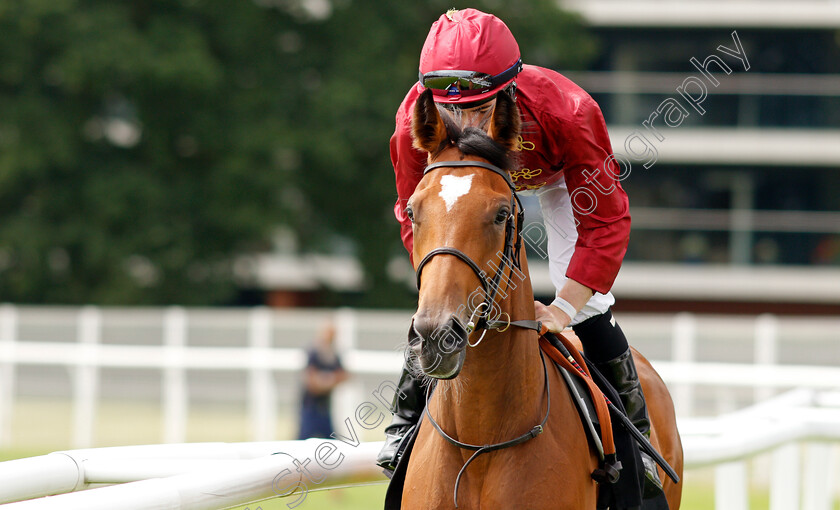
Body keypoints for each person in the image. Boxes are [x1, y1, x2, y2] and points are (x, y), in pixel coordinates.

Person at [378, 8, 662, 495]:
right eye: (450, 110)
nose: (465, 123)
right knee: (442, 292)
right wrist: (446, 288)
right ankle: (404, 421)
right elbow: (415, 215)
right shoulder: (414, 120)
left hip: (554, 178)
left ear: (508, 92)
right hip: (463, 192)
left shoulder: (568, 111)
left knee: (590, 305)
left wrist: (563, 308)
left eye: (479, 108)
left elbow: (606, 222)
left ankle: (638, 444)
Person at [297, 321, 349, 439]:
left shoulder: (333, 354)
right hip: (310, 407)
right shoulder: (314, 352)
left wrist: (325, 381)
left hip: (325, 407)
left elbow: (345, 376)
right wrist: (329, 381)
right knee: (302, 442)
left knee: (332, 442)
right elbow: (311, 383)